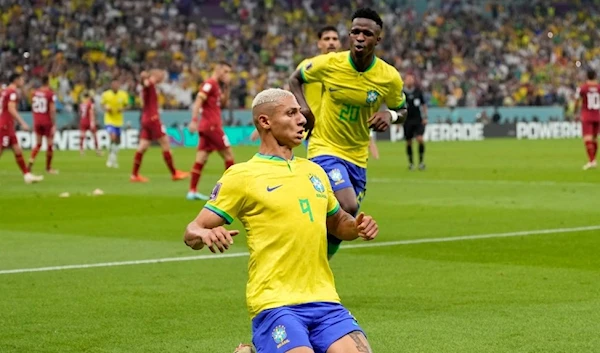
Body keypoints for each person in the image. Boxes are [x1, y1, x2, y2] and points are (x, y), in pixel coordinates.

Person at [184, 88, 379, 353]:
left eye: (300, 112)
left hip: (325, 300)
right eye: (292, 113)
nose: (302, 119)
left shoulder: (315, 171)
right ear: (265, 122)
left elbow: (337, 223)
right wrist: (204, 234)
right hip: (275, 303)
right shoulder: (242, 176)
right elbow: (192, 230)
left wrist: (356, 227)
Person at [289, 7, 406, 259]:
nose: (360, 37)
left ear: (378, 39)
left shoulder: (389, 77)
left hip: (357, 156)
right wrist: (304, 109)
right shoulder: (330, 64)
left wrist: (391, 115)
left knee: (343, 222)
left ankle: (318, 267)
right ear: (349, 35)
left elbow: (402, 109)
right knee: (349, 204)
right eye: (355, 32)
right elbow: (295, 78)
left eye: (367, 33)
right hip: (324, 148)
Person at [130, 69, 189, 182]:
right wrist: (143, 77)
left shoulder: (151, 85)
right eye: (161, 75)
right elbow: (145, 83)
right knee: (165, 143)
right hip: (153, 119)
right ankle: (174, 173)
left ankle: (134, 175)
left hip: (146, 118)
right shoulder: (149, 83)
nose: (162, 77)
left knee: (142, 146)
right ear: (154, 75)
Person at [186, 62, 234, 200]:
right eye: (225, 71)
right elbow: (198, 101)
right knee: (229, 156)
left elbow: (223, 104)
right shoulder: (210, 83)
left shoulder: (218, 87)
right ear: (217, 70)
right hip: (212, 126)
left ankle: (192, 191)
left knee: (201, 158)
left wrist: (227, 87)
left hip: (207, 127)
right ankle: (230, 190)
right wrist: (194, 120)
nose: (227, 75)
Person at [0, 73, 44, 183]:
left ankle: (27, 175)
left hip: (7, 125)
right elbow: (11, 108)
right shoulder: (12, 92)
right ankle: (27, 174)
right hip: (4, 125)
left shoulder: (5, 91)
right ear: (16, 80)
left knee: (17, 149)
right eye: (21, 79)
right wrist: (22, 122)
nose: (23, 81)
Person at [28, 75, 58, 174]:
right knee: (49, 144)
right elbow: (52, 110)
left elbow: (32, 104)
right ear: (48, 81)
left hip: (37, 121)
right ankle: (48, 168)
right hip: (46, 121)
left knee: (38, 144)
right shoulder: (50, 94)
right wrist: (54, 124)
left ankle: (30, 163)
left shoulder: (34, 93)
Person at [402, 73, 428, 170]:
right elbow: (398, 107)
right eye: (408, 79)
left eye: (411, 79)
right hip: (407, 121)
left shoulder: (418, 92)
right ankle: (411, 163)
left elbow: (424, 105)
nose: (410, 81)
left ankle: (421, 162)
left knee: (420, 139)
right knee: (409, 142)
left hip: (418, 120)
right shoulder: (402, 93)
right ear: (405, 81)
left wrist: (425, 117)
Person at [575, 69, 600, 170]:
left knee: (587, 139)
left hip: (587, 115)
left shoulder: (583, 88)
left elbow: (577, 100)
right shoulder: (599, 87)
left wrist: (575, 112)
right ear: (595, 76)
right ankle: (593, 160)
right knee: (594, 139)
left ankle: (592, 161)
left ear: (587, 76)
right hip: (598, 115)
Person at [102, 79, 129, 168]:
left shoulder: (123, 95)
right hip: (109, 120)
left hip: (119, 120)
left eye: (117, 85)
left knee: (118, 141)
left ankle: (114, 157)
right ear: (111, 86)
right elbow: (102, 104)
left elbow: (127, 105)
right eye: (114, 85)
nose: (115, 86)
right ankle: (110, 158)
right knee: (113, 136)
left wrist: (123, 109)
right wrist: (106, 108)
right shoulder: (106, 94)